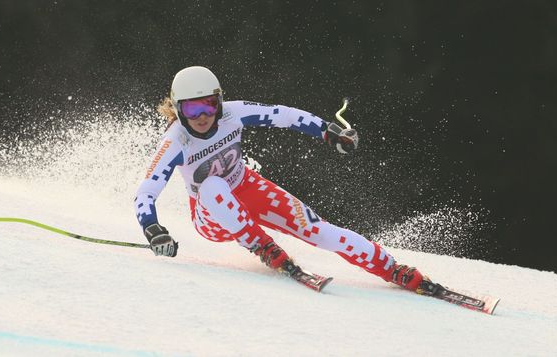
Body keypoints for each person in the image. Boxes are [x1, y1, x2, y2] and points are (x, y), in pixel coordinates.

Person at [134, 66, 426, 292]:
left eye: (208, 105)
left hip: (247, 188)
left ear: (219, 102)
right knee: (212, 185)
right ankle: (263, 246)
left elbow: (283, 115)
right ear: (178, 109)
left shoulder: (233, 114)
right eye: (191, 109)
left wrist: (329, 131)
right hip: (211, 216)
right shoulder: (176, 141)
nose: (202, 116)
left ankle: (393, 269)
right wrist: (153, 229)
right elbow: (146, 193)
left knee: (318, 230)